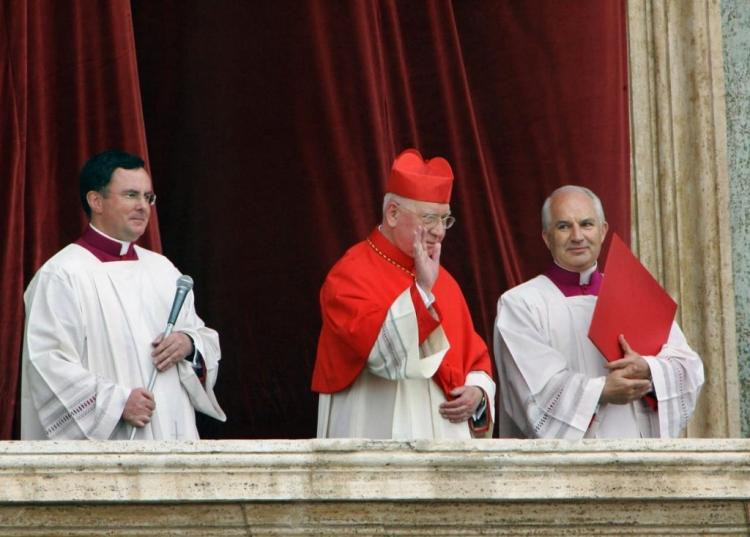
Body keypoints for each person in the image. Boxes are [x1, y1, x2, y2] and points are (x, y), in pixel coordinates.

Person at [21, 150, 225, 440]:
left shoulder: (163, 270)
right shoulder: (62, 275)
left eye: (148, 197)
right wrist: (116, 404)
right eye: (131, 195)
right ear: (96, 201)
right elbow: (47, 365)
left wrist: (188, 344)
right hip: (112, 441)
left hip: (173, 436)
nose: (143, 206)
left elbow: (201, 336)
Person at [493, 185, 704, 439]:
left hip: (638, 456)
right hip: (567, 468)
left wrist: (648, 369)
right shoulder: (521, 304)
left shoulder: (635, 293)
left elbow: (689, 368)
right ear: (546, 237)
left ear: (603, 231)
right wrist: (603, 391)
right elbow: (533, 393)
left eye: (586, 224)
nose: (577, 236)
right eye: (563, 226)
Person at [312, 148, 495, 439]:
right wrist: (421, 291)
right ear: (393, 213)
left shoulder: (445, 281)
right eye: (429, 218)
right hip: (376, 434)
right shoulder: (349, 274)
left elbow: (475, 357)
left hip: (447, 446)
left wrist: (477, 392)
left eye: (445, 219)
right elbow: (382, 356)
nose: (439, 232)